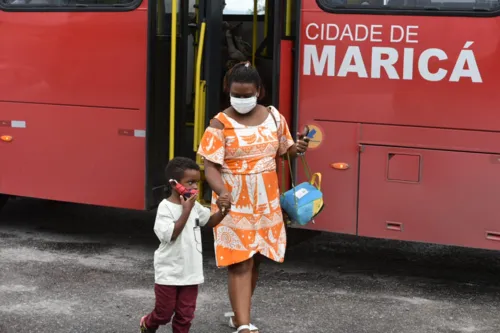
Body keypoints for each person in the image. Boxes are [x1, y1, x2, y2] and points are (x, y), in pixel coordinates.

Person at [197, 62, 310, 333]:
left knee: (256, 257)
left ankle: (239, 315)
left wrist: (299, 148)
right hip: (232, 201)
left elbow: (285, 151)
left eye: (248, 94)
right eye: (237, 94)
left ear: (259, 91)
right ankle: (245, 326)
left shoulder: (274, 117)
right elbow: (209, 165)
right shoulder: (219, 123)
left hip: (266, 202)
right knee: (240, 260)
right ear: (228, 91)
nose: (242, 99)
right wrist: (222, 191)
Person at [140, 157, 231, 333]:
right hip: (169, 272)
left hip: (191, 272)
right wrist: (187, 210)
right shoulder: (165, 208)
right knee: (164, 313)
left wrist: (223, 210)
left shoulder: (195, 206)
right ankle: (148, 323)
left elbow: (210, 221)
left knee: (185, 316)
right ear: (174, 184)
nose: (195, 188)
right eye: (190, 183)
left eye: (197, 183)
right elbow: (171, 234)